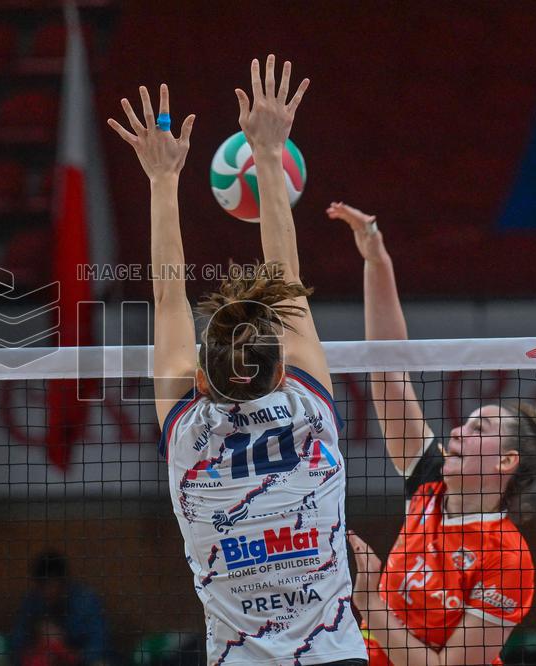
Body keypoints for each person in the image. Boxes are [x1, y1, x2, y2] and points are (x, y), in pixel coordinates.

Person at [108, 56, 367, 665]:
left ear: (200, 378)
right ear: (281, 370)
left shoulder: (188, 438)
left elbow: (169, 294)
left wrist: (162, 180)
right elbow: (284, 277)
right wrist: (269, 155)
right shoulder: (308, 412)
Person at [327, 202, 536, 666]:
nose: (458, 431)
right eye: (465, 423)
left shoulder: (508, 560)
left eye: (478, 427)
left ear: (507, 462)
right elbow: (388, 370)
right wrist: (377, 261)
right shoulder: (428, 487)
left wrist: (372, 604)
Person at [10, 551, 109, 666]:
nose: (47, 592)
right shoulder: (32, 601)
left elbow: (100, 643)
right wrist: (38, 639)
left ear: (64, 582)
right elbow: (17, 642)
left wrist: (67, 650)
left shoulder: (86, 600)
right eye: (42, 585)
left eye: (51, 584)